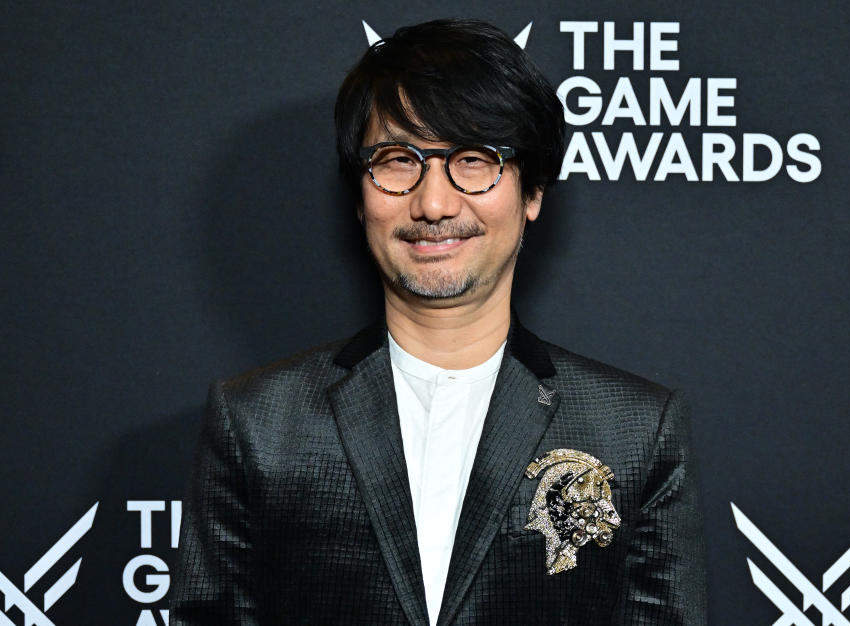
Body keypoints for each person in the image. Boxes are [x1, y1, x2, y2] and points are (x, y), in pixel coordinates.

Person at [170, 18, 706, 626]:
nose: (434, 203)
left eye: (474, 160)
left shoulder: (635, 429)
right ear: (359, 194)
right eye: (398, 160)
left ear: (531, 192)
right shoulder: (258, 422)